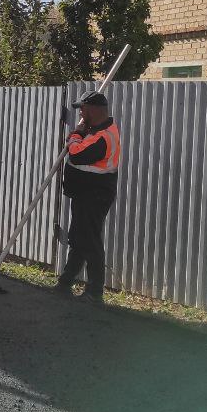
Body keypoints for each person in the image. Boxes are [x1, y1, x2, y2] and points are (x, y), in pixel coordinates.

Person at [53, 91, 121, 303]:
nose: (80, 112)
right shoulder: (95, 130)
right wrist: (81, 133)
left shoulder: (104, 136)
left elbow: (77, 153)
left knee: (89, 241)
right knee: (79, 238)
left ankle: (94, 291)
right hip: (85, 193)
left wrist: (74, 136)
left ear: (93, 109)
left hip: (96, 195)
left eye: (82, 108)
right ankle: (66, 281)